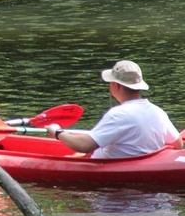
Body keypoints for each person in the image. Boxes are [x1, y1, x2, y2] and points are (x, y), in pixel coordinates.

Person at [47, 61, 183, 159]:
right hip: (137, 167)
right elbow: (177, 144)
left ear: (116, 85)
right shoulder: (157, 111)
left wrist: (57, 131)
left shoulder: (118, 114)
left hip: (107, 176)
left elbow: (84, 145)